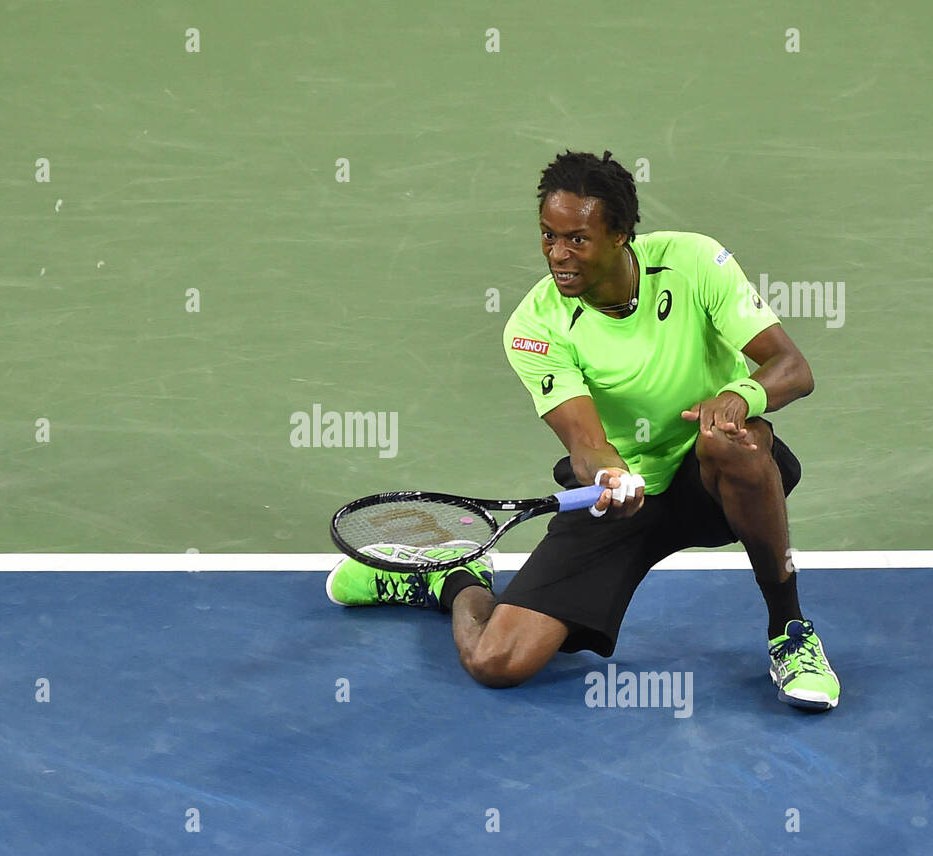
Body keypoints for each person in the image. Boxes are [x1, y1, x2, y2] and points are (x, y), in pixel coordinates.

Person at [327, 149, 839, 711]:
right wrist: (612, 475)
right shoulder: (535, 325)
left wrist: (737, 398)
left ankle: (789, 633)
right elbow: (585, 444)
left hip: (713, 477)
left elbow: (793, 368)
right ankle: (452, 578)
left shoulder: (695, 262)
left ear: (621, 234)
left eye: (577, 239)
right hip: (621, 501)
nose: (558, 255)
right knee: (496, 663)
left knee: (731, 442)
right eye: (549, 236)